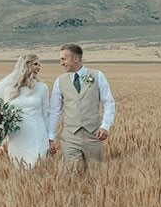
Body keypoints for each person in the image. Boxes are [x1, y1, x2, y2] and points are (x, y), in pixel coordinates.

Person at [48, 44, 116, 174]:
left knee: (97, 175)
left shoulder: (98, 76)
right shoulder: (60, 81)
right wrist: (51, 137)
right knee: (73, 175)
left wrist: (105, 126)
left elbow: (109, 103)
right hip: (70, 137)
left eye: (63, 59)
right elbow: (55, 111)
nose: (61, 63)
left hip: (94, 135)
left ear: (75, 59)